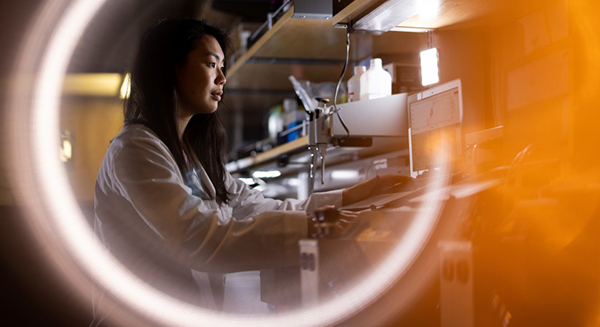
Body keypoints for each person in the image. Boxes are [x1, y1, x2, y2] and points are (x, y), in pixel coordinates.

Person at [92, 18, 408, 324]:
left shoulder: (190, 155)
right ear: (170, 68)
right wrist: (313, 228)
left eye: (223, 68)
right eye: (211, 64)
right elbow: (199, 236)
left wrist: (355, 193)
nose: (222, 78)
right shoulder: (134, 148)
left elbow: (255, 206)